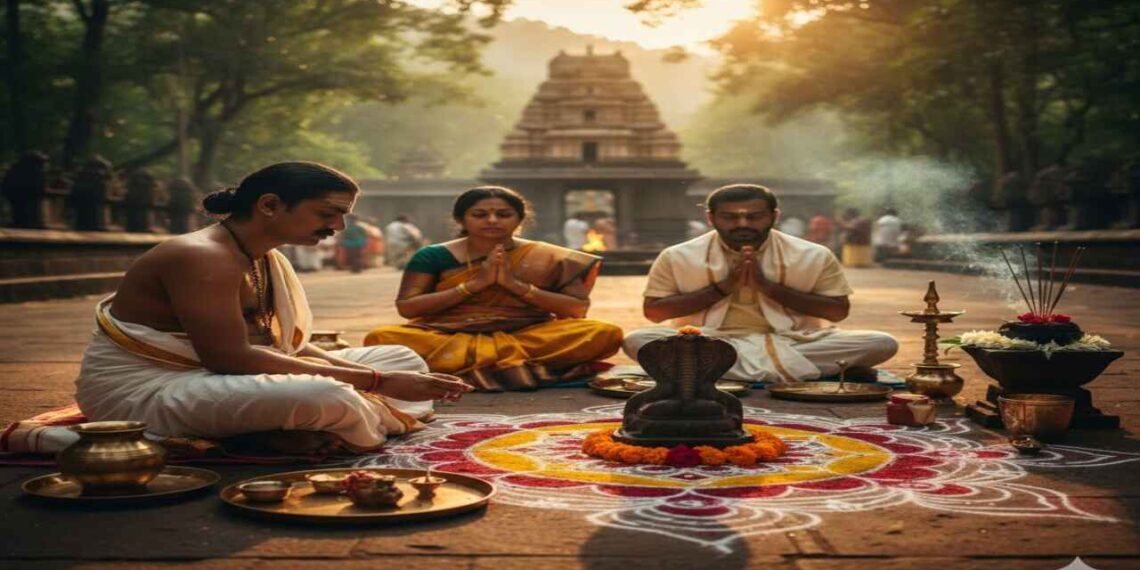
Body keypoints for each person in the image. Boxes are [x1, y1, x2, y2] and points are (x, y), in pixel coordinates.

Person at [74, 162, 471, 454]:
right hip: (149, 390)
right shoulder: (202, 256)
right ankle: (261, 434)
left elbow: (283, 346)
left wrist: (379, 373)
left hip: (215, 377)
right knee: (327, 395)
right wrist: (375, 383)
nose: (338, 228)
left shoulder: (262, 254)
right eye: (327, 213)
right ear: (269, 205)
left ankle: (268, 432)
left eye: (342, 216)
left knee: (401, 358)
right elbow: (229, 358)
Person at [622, 184, 897, 383]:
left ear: (774, 216)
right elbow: (654, 313)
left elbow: (837, 312)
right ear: (711, 218)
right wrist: (722, 288)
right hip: (707, 342)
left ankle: (698, 372)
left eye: (754, 216)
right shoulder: (678, 255)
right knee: (638, 340)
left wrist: (769, 288)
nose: (743, 223)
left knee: (882, 342)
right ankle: (816, 371)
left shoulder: (813, 254)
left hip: (794, 341)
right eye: (730, 217)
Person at [364, 186, 623, 391]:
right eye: (479, 214)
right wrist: (474, 285)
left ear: (519, 219)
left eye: (503, 214)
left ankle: (466, 366)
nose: (492, 220)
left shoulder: (549, 256)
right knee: (381, 337)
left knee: (606, 332)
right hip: (446, 334)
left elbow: (577, 309)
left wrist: (516, 286)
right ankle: (516, 366)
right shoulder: (433, 256)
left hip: (526, 333)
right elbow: (408, 308)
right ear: (460, 219)